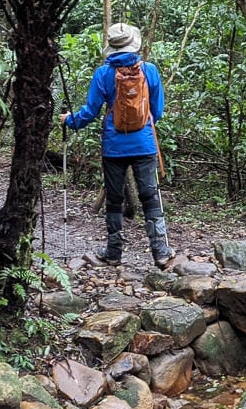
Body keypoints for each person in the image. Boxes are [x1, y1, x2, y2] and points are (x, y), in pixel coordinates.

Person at [60, 23, 175, 268]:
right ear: (134, 44)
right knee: (150, 197)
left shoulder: (103, 74)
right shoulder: (150, 70)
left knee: (114, 199)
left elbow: (90, 112)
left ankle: (113, 252)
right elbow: (158, 111)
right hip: (144, 143)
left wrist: (70, 120)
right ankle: (161, 252)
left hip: (114, 146)